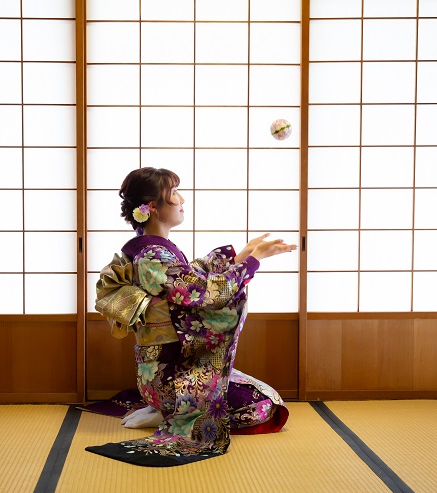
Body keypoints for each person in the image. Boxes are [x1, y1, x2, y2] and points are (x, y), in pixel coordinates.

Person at [87, 167, 297, 467]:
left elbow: (195, 276)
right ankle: (170, 412)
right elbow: (205, 292)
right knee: (263, 405)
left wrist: (241, 256)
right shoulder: (152, 256)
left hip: (170, 365)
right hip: (172, 374)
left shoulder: (156, 252)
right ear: (154, 207)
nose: (182, 198)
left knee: (257, 392)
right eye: (174, 193)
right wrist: (253, 262)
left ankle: (164, 409)